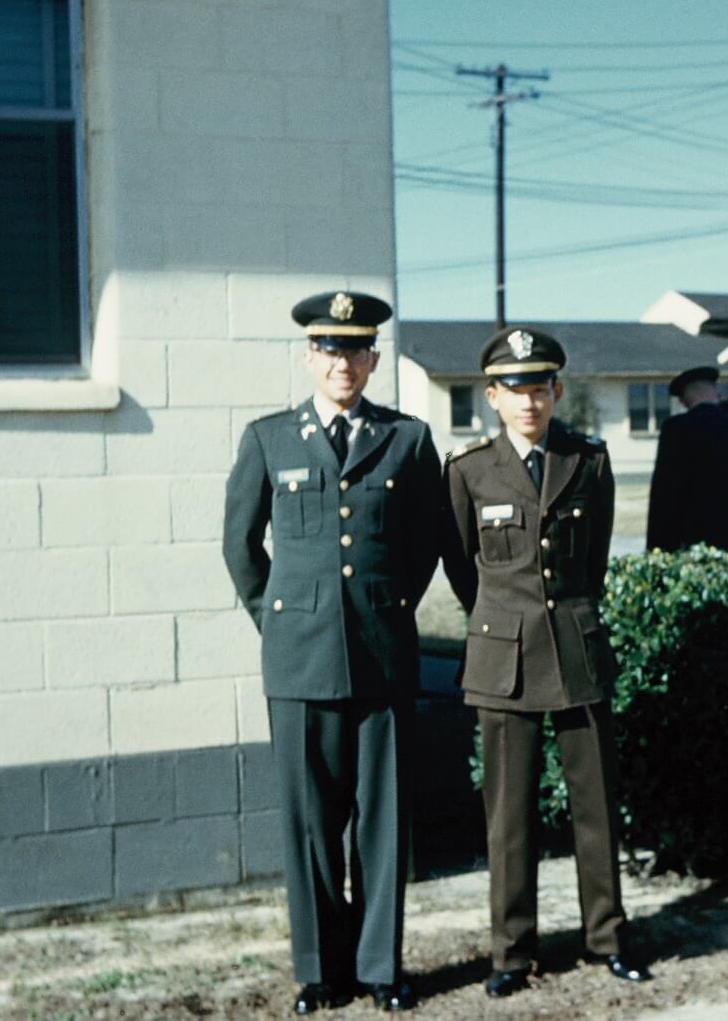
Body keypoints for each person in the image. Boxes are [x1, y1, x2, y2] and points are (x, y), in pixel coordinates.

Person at [222, 290, 441, 1015]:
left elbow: (422, 546)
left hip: (382, 655)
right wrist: (279, 619)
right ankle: (321, 971)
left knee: (383, 823)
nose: (341, 362)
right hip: (299, 661)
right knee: (311, 823)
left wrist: (385, 607)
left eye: (355, 349)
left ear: (374, 360)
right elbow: (240, 546)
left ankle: (381, 968)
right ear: (308, 357)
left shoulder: (407, 440)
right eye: (328, 348)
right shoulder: (268, 439)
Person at [438, 327, 652, 998]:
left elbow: (594, 560)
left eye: (540, 387)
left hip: (577, 651)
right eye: (514, 389)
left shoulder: (587, 460)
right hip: (505, 660)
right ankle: (511, 952)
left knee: (597, 806)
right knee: (510, 815)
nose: (528, 402)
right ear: (492, 397)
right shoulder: (470, 470)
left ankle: (606, 937)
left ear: (556, 391)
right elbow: (461, 566)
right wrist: (507, 621)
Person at [645, 364, 728, 553]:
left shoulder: (675, 430)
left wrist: (655, 548)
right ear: (716, 391)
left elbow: (663, 495)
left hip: (688, 543)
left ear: (685, 396)